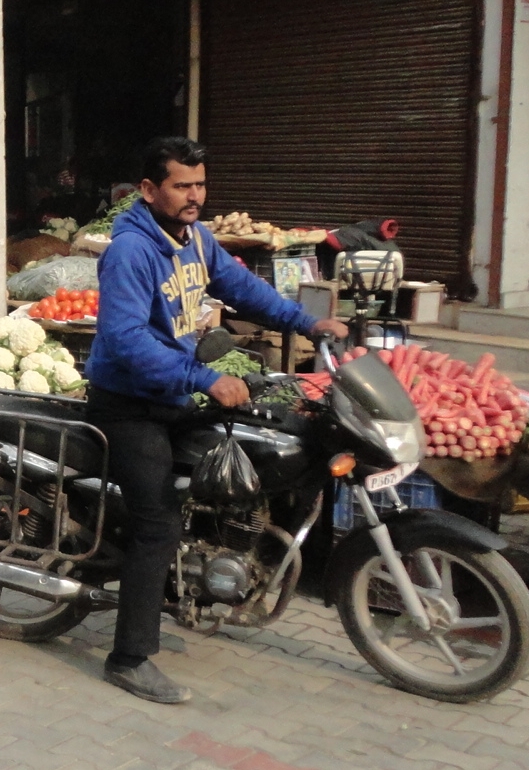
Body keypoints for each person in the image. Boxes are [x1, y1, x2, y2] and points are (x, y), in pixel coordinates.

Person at [85, 137, 349, 705]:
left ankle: (193, 581)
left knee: (240, 462)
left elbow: (242, 288)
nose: (195, 196)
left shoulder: (194, 238)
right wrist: (205, 379)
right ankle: (129, 657)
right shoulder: (132, 251)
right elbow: (125, 340)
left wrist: (308, 323)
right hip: (128, 403)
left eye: (200, 184)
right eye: (182, 186)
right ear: (150, 190)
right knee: (158, 521)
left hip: (171, 393)